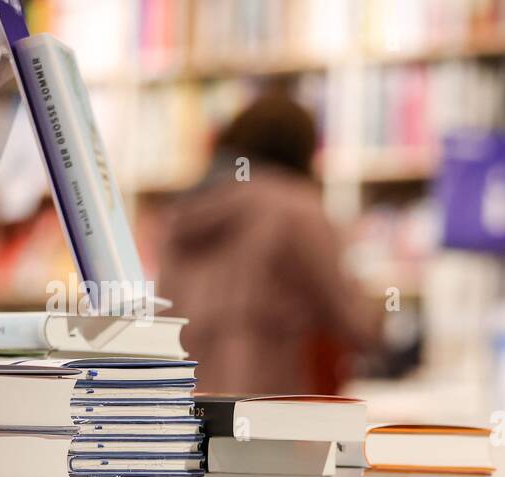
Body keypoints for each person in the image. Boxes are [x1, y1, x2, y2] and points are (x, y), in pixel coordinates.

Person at [157, 88, 377, 394]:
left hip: (182, 409)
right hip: (271, 413)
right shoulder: (296, 211)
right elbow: (355, 322)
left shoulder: (181, 216)